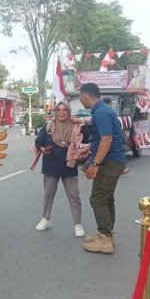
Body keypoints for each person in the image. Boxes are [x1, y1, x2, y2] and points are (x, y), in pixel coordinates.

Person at [78, 83, 126, 254]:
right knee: (106, 198)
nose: (80, 101)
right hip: (112, 160)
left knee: (97, 199)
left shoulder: (101, 112)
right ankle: (105, 234)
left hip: (109, 162)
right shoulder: (101, 111)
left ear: (85, 96)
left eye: (80, 98)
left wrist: (95, 164)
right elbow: (101, 138)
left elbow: (107, 140)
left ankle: (105, 238)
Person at [33, 100, 88, 237]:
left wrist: (83, 123)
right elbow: (39, 141)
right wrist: (41, 148)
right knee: (48, 194)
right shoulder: (48, 126)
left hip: (69, 165)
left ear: (69, 112)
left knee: (74, 196)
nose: (62, 112)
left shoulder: (76, 126)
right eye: (59, 110)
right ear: (55, 112)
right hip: (51, 164)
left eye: (65, 110)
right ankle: (46, 219)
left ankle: (78, 224)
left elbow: (87, 136)